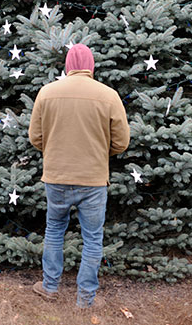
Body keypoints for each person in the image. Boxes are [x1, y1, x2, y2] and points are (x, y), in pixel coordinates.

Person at [28, 43, 130, 307]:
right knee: (93, 238)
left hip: (57, 176)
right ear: (91, 66)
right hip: (93, 178)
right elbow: (121, 142)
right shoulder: (108, 95)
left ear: (67, 66)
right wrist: (98, 151)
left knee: (54, 230)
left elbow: (35, 137)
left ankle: (49, 287)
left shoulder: (47, 92)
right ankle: (85, 299)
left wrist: (54, 150)